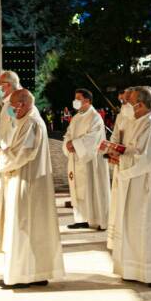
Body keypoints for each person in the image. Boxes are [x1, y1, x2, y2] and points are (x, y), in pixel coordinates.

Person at [0, 89, 65, 289]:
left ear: (23, 104)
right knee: (29, 228)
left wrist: (1, 157)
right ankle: (33, 272)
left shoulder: (32, 123)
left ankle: (22, 275)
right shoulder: (27, 120)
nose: (11, 111)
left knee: (23, 226)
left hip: (27, 181)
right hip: (26, 180)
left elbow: (22, 153)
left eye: (13, 106)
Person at [112, 86, 151, 286]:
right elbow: (130, 149)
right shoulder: (134, 122)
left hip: (146, 185)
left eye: (129, 102)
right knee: (132, 227)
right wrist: (115, 154)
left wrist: (123, 168)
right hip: (132, 183)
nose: (127, 105)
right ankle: (134, 269)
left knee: (147, 227)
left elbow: (149, 159)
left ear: (140, 104)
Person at [62, 88, 110, 230]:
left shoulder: (95, 117)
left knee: (91, 188)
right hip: (76, 158)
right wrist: (68, 144)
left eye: (78, 99)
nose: (75, 102)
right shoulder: (77, 117)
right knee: (78, 189)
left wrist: (75, 145)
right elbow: (68, 134)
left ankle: (97, 219)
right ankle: (81, 218)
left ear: (87, 100)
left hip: (90, 161)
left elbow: (93, 138)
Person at [0, 70, 22, 251]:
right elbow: (5, 126)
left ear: (8, 85)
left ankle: (9, 241)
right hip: (5, 156)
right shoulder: (8, 102)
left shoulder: (15, 103)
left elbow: (16, 128)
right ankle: (5, 239)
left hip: (10, 158)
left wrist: (4, 147)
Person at [107, 89, 136, 250]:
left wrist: (123, 156)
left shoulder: (144, 120)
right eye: (121, 101)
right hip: (121, 162)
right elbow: (115, 136)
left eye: (125, 101)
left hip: (131, 165)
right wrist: (112, 148)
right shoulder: (121, 116)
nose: (123, 104)